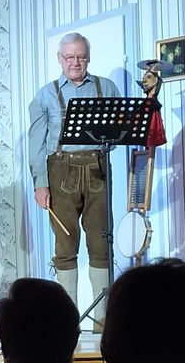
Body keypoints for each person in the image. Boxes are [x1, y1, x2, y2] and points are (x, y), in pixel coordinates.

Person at [28, 32, 120, 326]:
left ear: (88, 57)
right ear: (60, 59)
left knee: (101, 244)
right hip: (60, 171)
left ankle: (102, 321)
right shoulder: (45, 94)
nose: (75, 63)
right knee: (65, 248)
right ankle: (67, 322)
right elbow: (36, 144)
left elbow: (120, 130)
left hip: (97, 169)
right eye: (69, 57)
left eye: (80, 56)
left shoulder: (107, 88)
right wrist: (40, 183)